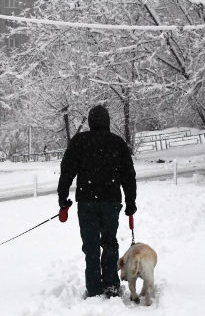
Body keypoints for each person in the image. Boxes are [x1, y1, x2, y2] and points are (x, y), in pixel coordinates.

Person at [57, 105, 137, 299]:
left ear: (91, 122)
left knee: (91, 245)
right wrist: (130, 202)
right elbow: (128, 175)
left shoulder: (79, 142)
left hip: (86, 202)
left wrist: (63, 198)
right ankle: (110, 284)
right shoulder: (117, 143)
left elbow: (67, 171)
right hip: (111, 201)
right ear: (107, 121)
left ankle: (93, 287)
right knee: (109, 242)